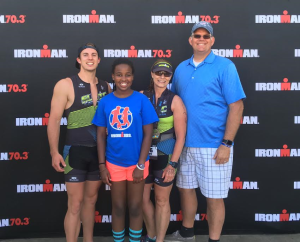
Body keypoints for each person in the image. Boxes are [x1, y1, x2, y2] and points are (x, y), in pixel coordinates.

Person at [164, 21, 245, 242]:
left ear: (212, 40)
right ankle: (187, 233)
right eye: (197, 36)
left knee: (214, 198)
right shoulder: (181, 68)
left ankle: (214, 240)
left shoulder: (224, 66)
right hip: (185, 144)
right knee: (185, 189)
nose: (201, 39)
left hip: (214, 145)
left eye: (205, 36)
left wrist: (226, 143)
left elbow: (237, 106)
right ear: (190, 40)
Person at [47, 43, 111, 242]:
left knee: (91, 202)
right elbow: (54, 121)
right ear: (79, 60)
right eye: (85, 55)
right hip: (74, 153)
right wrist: (54, 152)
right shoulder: (65, 84)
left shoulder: (106, 86)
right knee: (75, 204)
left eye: (94, 54)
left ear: (99, 60)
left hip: (98, 154)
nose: (90, 58)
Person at [92, 58, 159, 242]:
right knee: (119, 207)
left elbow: (148, 134)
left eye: (128, 75)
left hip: (138, 164)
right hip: (114, 163)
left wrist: (140, 165)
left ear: (133, 76)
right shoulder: (105, 102)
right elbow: (100, 135)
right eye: (119, 75)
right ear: (113, 76)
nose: (124, 78)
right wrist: (102, 166)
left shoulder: (141, 100)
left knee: (136, 207)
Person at [140, 59, 186, 242]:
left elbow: (181, 137)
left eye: (166, 74)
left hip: (165, 156)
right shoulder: (141, 96)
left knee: (161, 200)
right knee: (142, 200)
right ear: (152, 74)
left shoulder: (175, 100)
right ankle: (151, 235)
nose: (162, 77)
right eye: (158, 73)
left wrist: (173, 165)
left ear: (170, 77)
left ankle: (159, 240)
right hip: (143, 156)